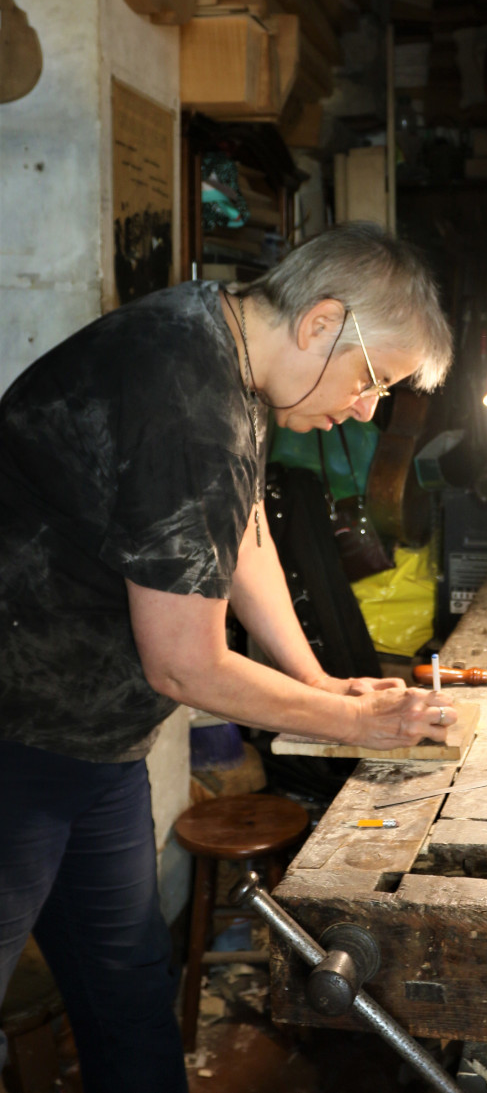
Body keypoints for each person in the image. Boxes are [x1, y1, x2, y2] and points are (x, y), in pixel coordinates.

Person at [0, 222, 455, 1092]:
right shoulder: (179, 387)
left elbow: (237, 530)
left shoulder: (230, 358)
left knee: (127, 994)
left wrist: (314, 678)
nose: (366, 408)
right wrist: (356, 722)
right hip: (15, 737)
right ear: (322, 322)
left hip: (94, 739)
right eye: (371, 380)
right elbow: (186, 667)